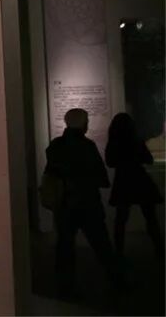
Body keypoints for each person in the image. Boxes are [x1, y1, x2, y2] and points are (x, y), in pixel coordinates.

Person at [44, 108, 119, 297]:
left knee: (65, 245)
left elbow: (52, 172)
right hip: (87, 203)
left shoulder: (55, 146)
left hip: (65, 203)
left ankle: (65, 286)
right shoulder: (87, 146)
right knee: (101, 244)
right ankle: (117, 279)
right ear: (83, 124)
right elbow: (101, 177)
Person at [104, 112, 164, 260]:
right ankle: (160, 249)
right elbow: (148, 159)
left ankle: (119, 252)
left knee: (121, 218)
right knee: (150, 217)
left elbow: (110, 162)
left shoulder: (113, 143)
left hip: (123, 180)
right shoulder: (136, 141)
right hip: (139, 178)